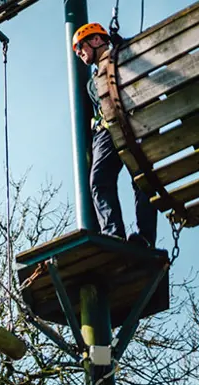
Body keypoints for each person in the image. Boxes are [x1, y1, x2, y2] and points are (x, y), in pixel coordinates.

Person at [72, 23, 157, 247]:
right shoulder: (92, 82)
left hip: (126, 120)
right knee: (100, 181)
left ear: (97, 40)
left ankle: (145, 238)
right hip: (107, 130)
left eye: (81, 46)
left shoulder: (119, 57)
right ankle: (114, 233)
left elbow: (138, 57)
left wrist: (120, 43)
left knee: (140, 180)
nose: (80, 53)